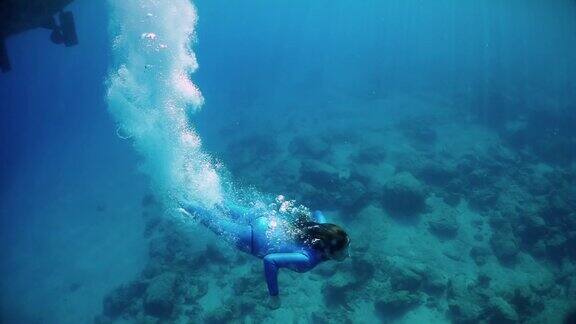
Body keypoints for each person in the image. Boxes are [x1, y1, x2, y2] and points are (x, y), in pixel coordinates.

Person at [178, 196, 351, 309]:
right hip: (251, 239)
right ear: (328, 250)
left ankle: (193, 188)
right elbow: (270, 260)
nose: (347, 254)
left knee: (218, 202)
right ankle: (177, 198)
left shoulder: (321, 230)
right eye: (343, 250)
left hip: (264, 220)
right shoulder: (307, 260)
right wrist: (274, 296)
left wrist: (328, 231)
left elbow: (318, 213)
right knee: (207, 218)